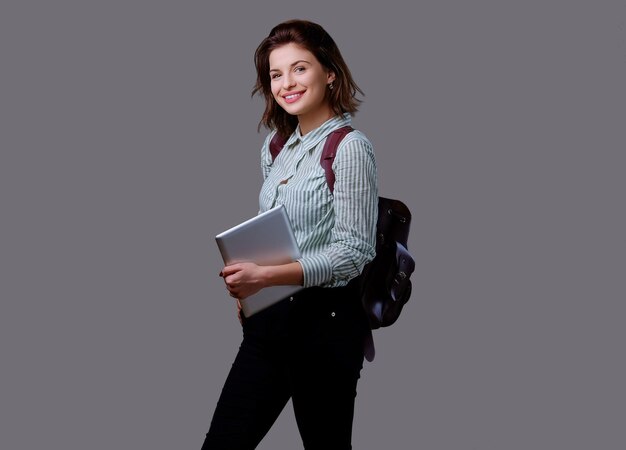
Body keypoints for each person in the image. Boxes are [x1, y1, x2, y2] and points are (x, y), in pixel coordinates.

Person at [201, 19, 378, 450]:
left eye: (299, 68)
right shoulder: (277, 145)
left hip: (327, 328)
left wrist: (267, 277)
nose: (286, 83)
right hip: (270, 324)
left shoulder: (350, 146)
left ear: (329, 71)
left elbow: (354, 252)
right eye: (275, 74)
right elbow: (280, 230)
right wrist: (252, 291)